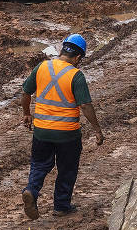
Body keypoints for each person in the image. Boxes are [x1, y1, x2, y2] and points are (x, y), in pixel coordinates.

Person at [24, 33, 104, 219]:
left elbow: (25, 92)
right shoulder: (76, 75)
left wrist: (26, 114)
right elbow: (85, 105)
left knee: (39, 164)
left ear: (62, 49)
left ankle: (31, 191)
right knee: (67, 168)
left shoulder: (42, 66)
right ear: (78, 57)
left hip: (41, 131)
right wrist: (97, 130)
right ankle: (61, 205)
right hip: (67, 134)